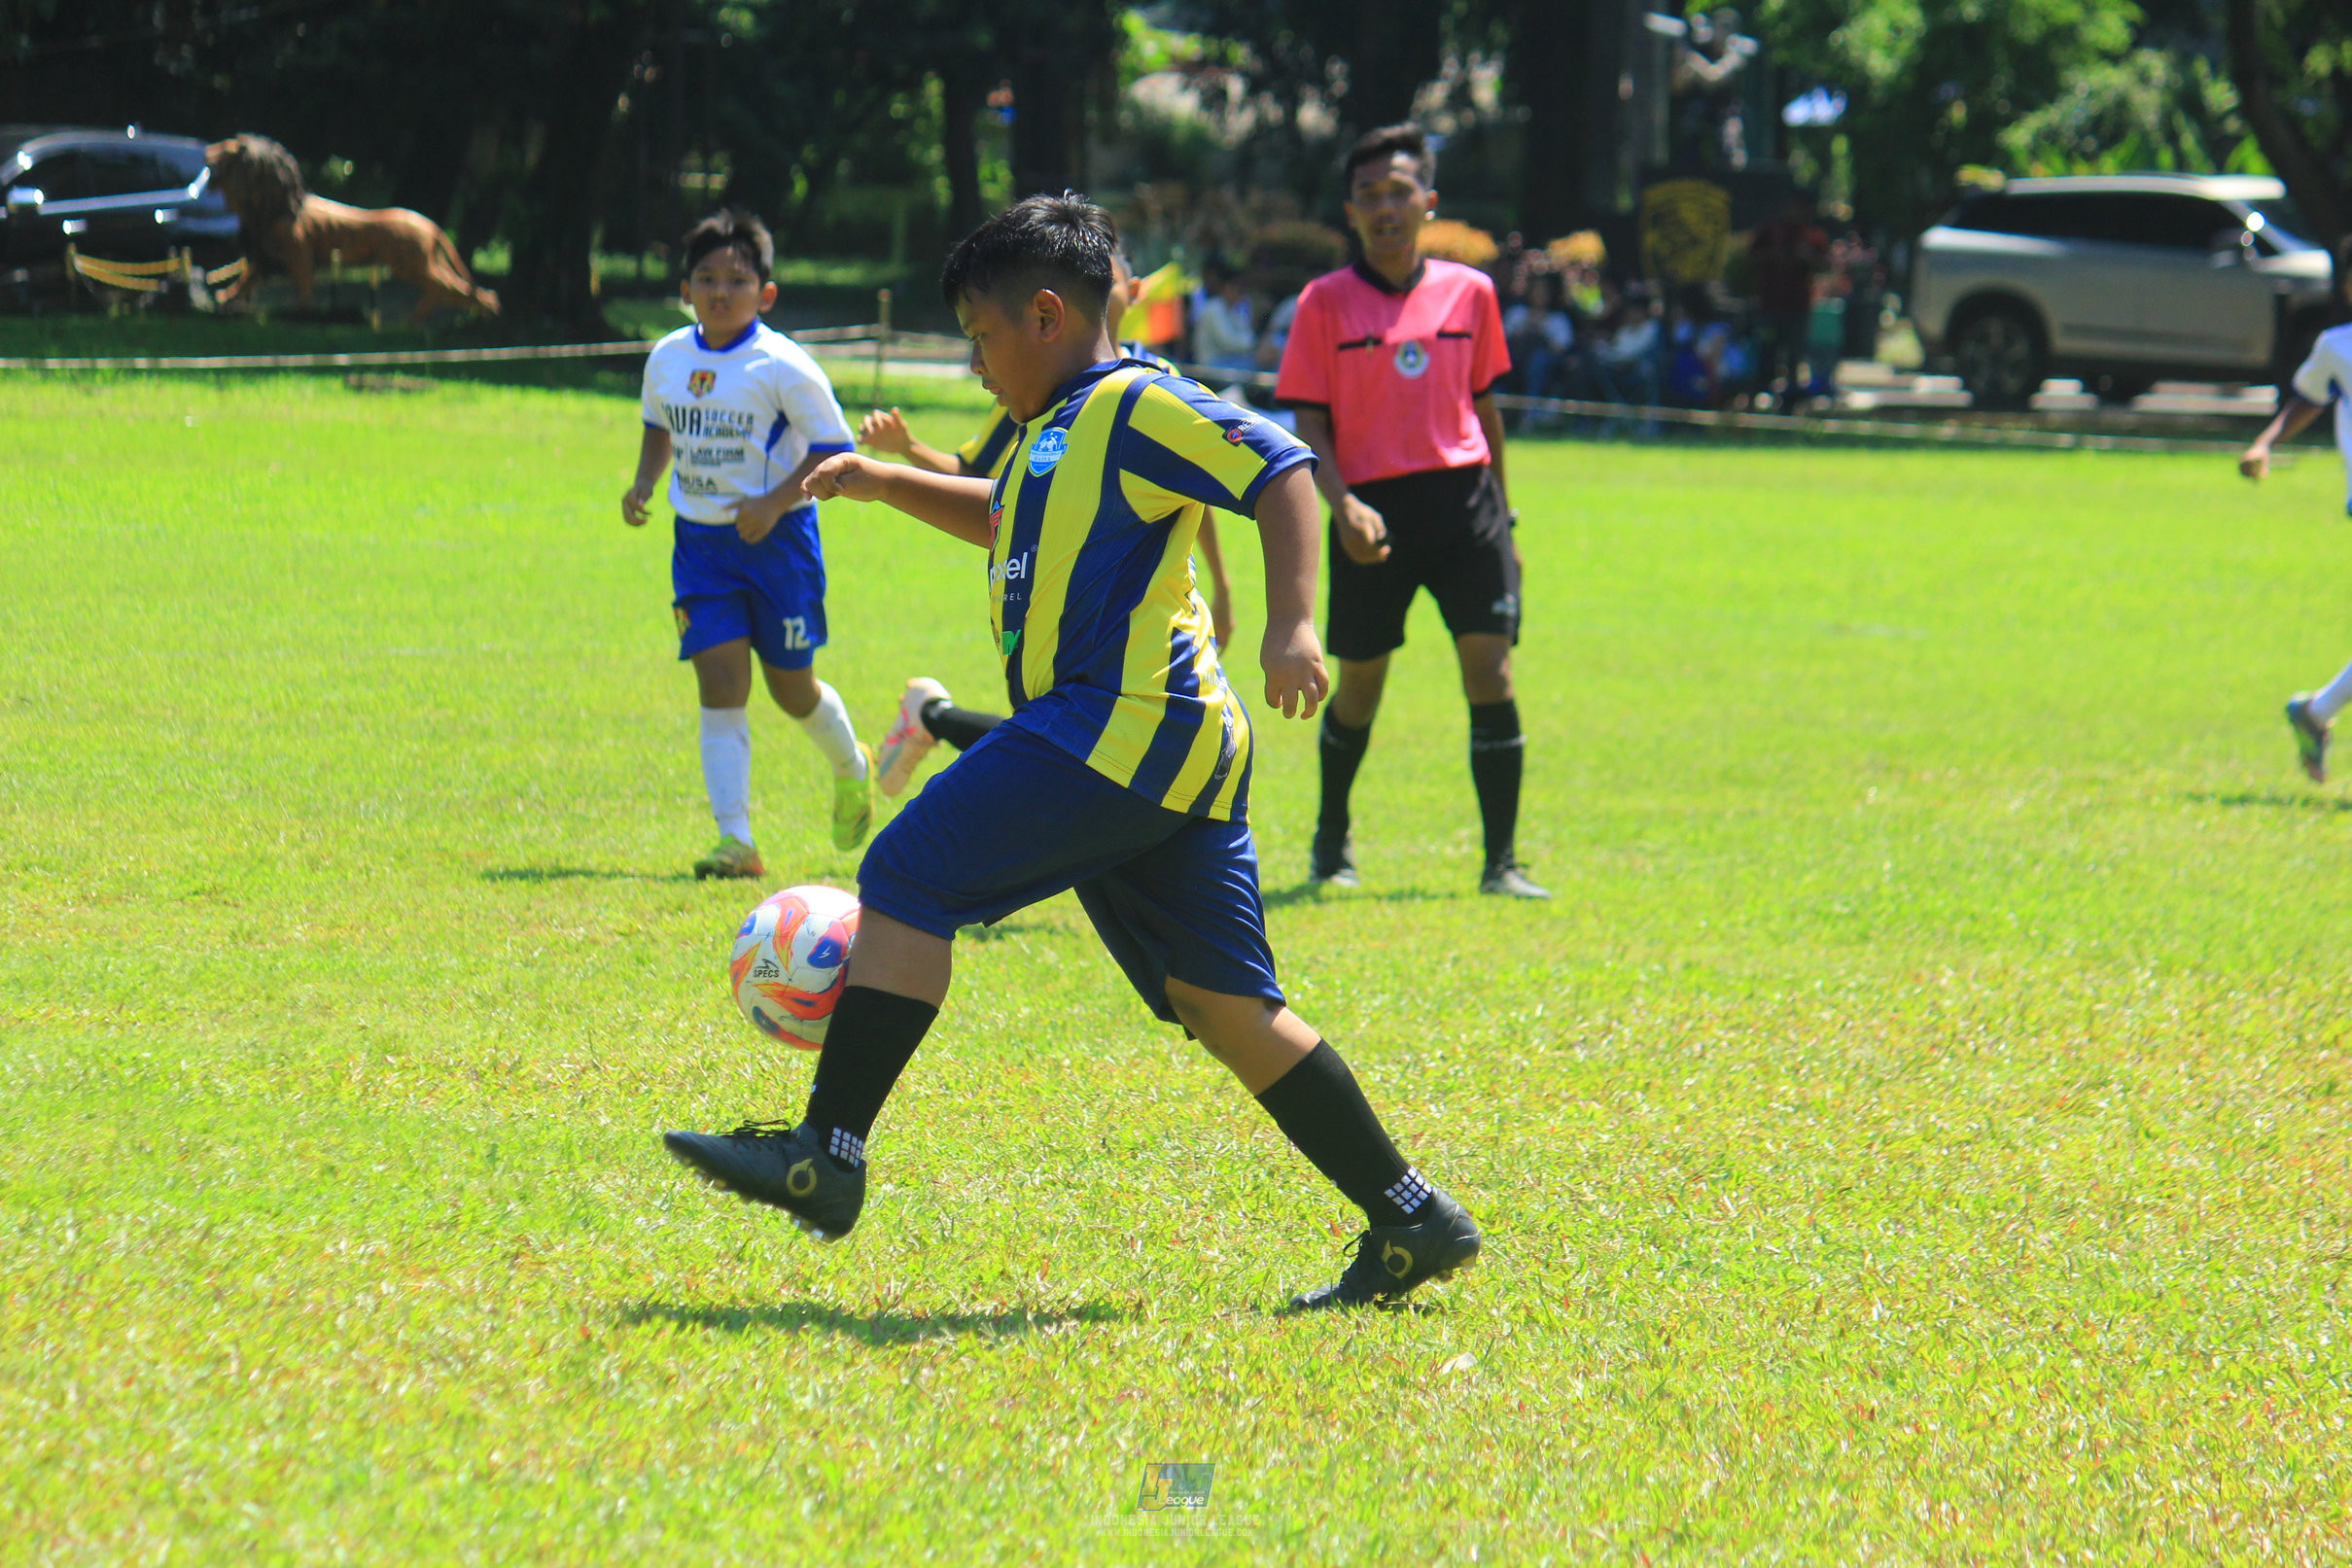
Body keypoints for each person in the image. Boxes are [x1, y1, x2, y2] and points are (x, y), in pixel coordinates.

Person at [661, 193, 1484, 1312]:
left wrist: (1294, 623)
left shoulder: (1135, 402)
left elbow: (1282, 467)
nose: (977, 359)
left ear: (1046, 314)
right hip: (1161, 742)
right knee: (1221, 997)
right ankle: (1409, 1214)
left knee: (906, 872)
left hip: (1126, 717)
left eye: (982, 335)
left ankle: (827, 1151)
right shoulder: (1058, 429)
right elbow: (1013, 518)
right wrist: (885, 477)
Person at [1275, 122, 1548, 899]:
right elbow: (1309, 424)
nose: (1386, 208)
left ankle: (1501, 862)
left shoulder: (1473, 293)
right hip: (1373, 515)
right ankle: (1331, 843)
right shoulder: (1322, 303)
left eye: (1400, 192)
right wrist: (1343, 504)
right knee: (1358, 687)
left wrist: (1507, 515)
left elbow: (1485, 411)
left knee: (1489, 670)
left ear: (1428, 201)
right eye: (1370, 195)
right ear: (1350, 210)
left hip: (1467, 508)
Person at [857, 242, 1239, 797]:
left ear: (1133, 292)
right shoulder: (1031, 376)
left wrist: (1223, 585)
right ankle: (934, 719)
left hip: (1143, 598)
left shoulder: (1161, 384)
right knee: (1064, 734)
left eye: (1109, 282)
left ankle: (933, 717)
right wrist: (907, 452)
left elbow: (1200, 492)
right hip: (1045, 579)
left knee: (1080, 738)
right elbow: (975, 473)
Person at [621, 208, 873, 879]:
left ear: (765, 293)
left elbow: (834, 446)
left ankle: (852, 765)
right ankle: (737, 840)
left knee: (792, 691)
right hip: (700, 545)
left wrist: (774, 499)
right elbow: (657, 425)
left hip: (778, 544)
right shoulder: (668, 357)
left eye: (736, 279)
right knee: (720, 681)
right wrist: (645, 481)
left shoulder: (783, 364)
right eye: (705, 278)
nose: (719, 291)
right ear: (686, 289)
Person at [2240, 239, 2352, 782]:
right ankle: (2314, 712)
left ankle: (2314, 713)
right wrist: (2265, 443)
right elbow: (2308, 398)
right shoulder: (2339, 346)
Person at [1749, 192, 1830, 409]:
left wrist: (1805, 258)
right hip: (1770, 305)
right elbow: (1752, 256)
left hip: (1798, 307)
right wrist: (1777, 256)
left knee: (1794, 355)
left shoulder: (1813, 236)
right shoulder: (1771, 230)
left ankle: (1790, 402)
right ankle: (1759, 398)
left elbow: (1825, 265)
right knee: (1766, 352)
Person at [1191, 258, 1261, 379]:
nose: (1241, 295)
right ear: (1227, 287)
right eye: (1238, 289)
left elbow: (1246, 335)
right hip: (1212, 366)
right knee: (1259, 365)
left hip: (1230, 362)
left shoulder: (1234, 309)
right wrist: (1258, 345)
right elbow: (1228, 342)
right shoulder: (1213, 308)